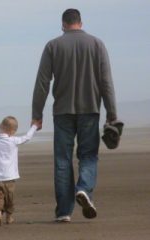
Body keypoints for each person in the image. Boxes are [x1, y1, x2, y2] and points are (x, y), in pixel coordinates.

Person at [31, 9, 118, 223]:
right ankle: (84, 189)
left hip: (62, 112)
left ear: (63, 24)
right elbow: (106, 81)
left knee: (63, 160)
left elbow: (42, 83)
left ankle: (63, 211)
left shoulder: (53, 46)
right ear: (81, 22)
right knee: (88, 155)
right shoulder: (97, 44)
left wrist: (37, 114)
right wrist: (112, 113)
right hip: (90, 110)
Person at [0, 116, 38, 226]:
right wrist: (34, 126)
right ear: (13, 131)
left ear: (0, 126)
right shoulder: (13, 140)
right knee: (9, 198)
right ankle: (9, 217)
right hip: (10, 177)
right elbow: (27, 137)